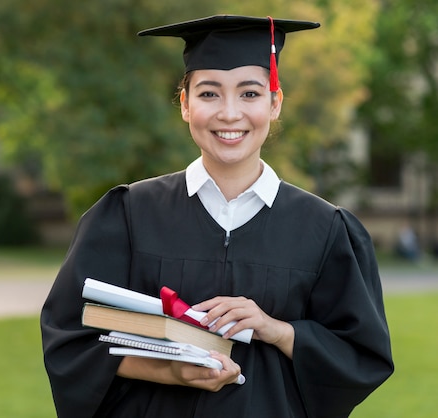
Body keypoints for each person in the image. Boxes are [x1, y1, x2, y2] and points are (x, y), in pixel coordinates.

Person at [41, 14, 394, 418]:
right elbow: (70, 340)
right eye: (209, 94)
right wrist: (171, 371)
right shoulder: (128, 214)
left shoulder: (325, 229)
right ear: (185, 105)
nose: (229, 113)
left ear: (274, 103)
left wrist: (275, 330)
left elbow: (360, 357)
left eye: (249, 94)